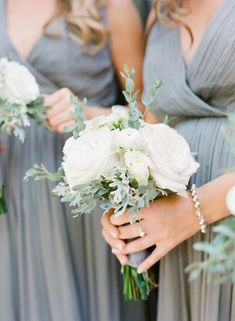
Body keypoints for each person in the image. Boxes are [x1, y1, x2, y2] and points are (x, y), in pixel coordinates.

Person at [0, 0, 154, 320]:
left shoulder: (110, 7)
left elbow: (153, 114)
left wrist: (91, 115)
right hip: (11, 196)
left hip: (80, 201)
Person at [101, 0, 235, 320]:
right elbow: (155, 123)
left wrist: (197, 209)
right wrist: (130, 206)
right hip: (183, 242)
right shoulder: (162, 9)